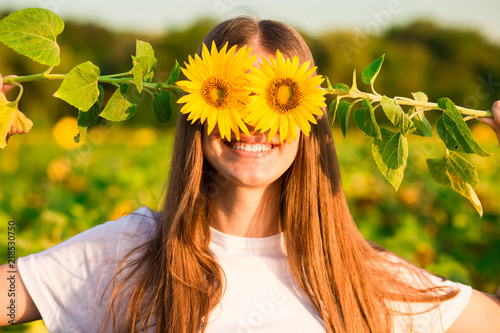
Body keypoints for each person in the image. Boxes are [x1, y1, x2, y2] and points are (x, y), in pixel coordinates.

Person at [1, 17, 500, 333]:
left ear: (309, 119)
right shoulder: (130, 251)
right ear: (198, 109)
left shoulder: (359, 276)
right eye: (232, 94)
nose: (254, 121)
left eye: (277, 96)